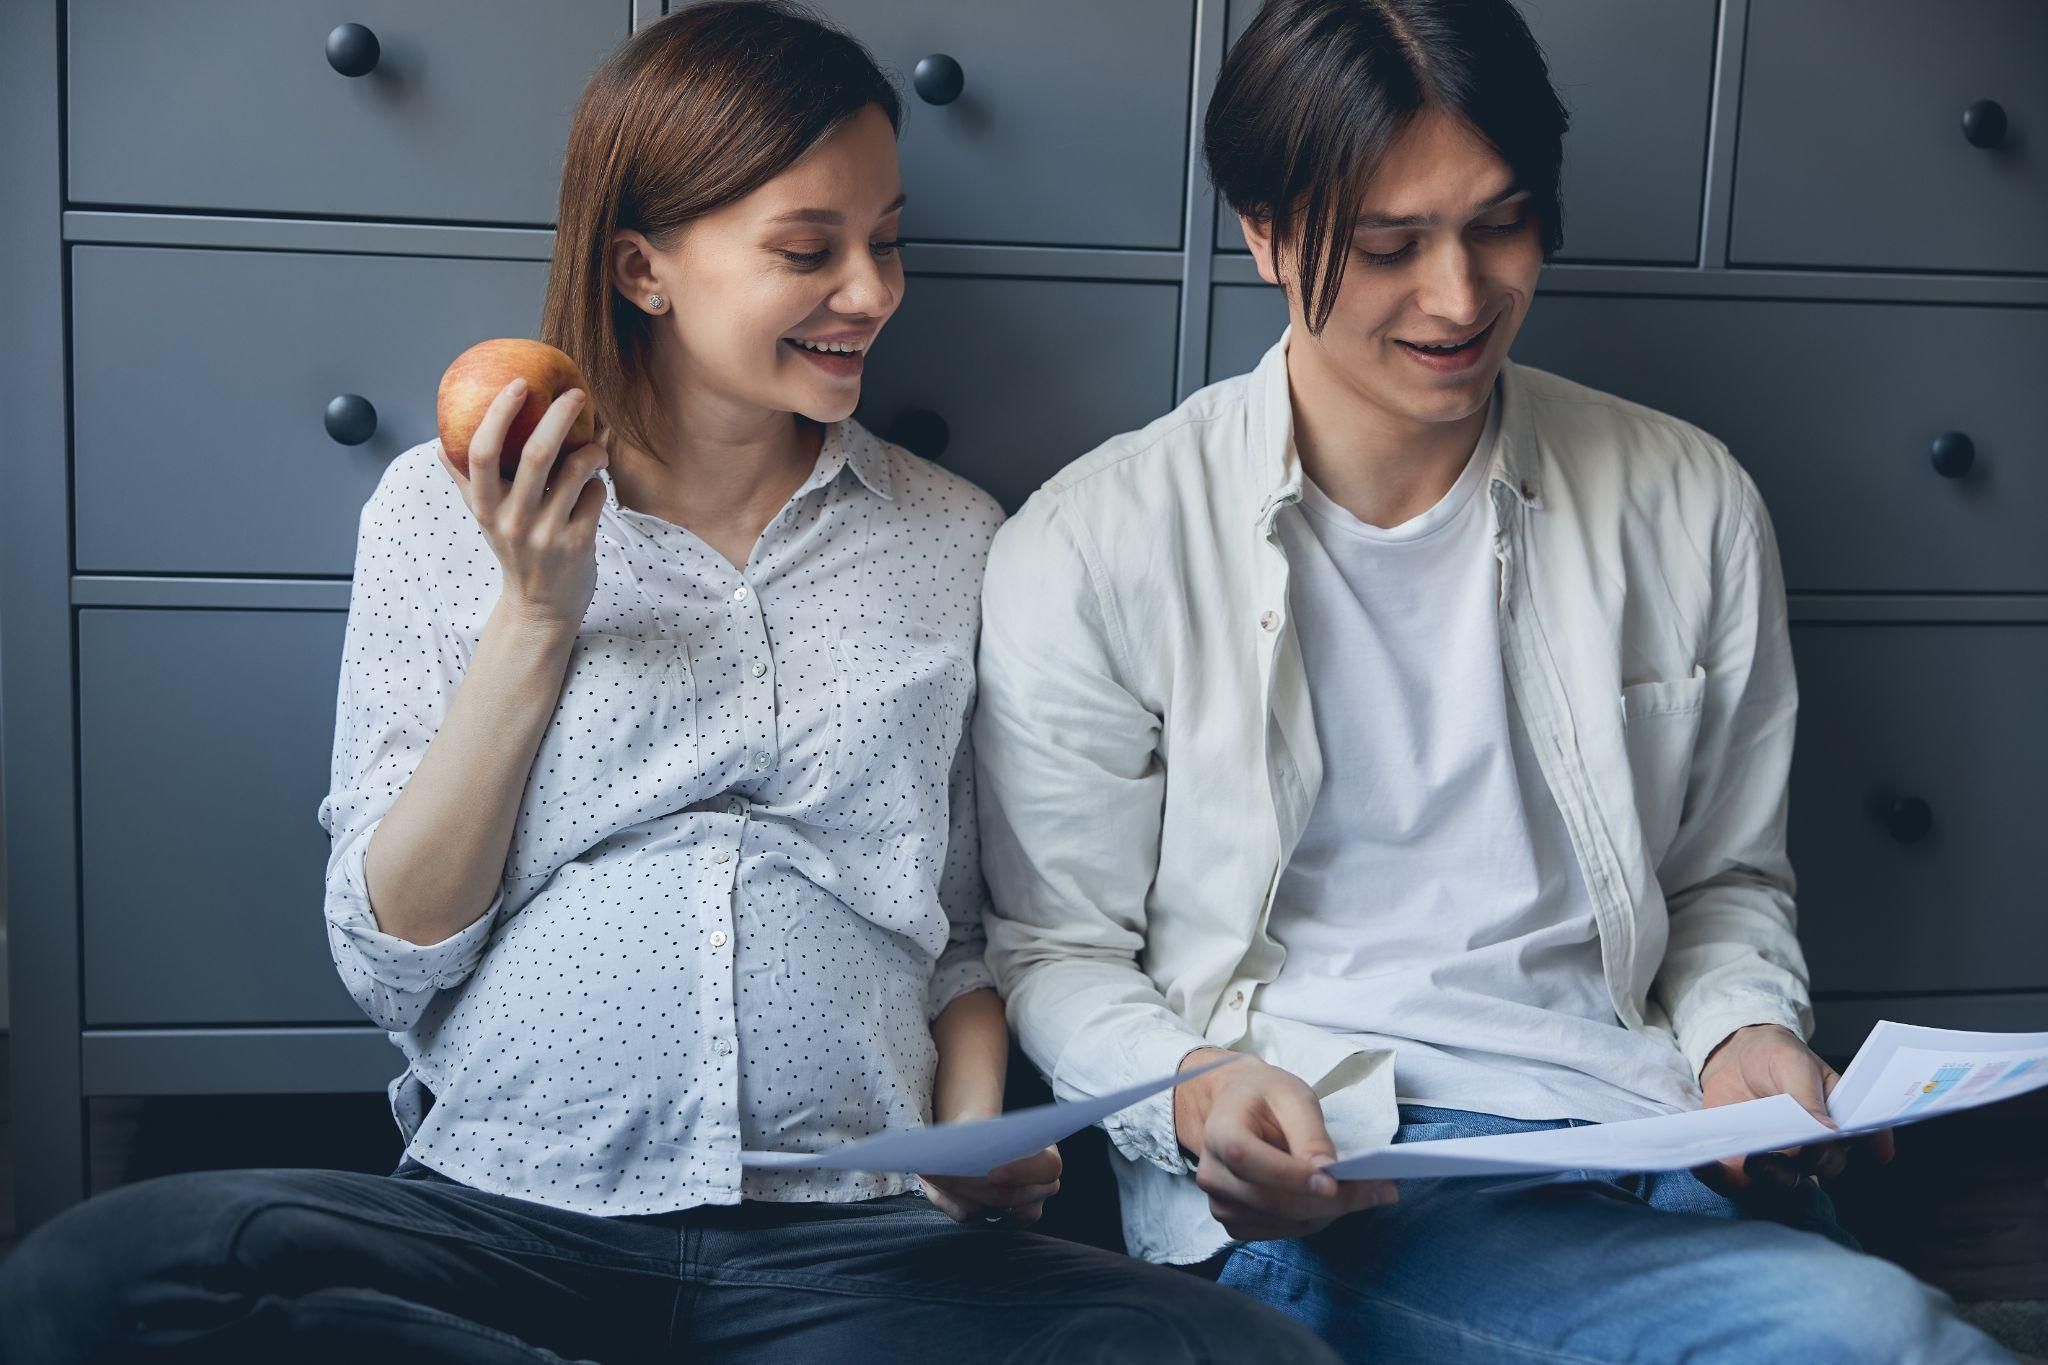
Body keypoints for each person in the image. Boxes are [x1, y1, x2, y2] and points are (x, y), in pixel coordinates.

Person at [0, 6, 1336, 1362]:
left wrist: (976, 1143)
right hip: (511, 1216)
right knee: (100, 1278)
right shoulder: (445, 510)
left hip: (854, 1246)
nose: (871, 292)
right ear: (644, 268)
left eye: (888, 241)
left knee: (1246, 1354)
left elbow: (960, 933)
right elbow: (388, 954)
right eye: (808, 251)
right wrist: (537, 612)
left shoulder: (956, 538)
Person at [971, 0, 2011, 1359]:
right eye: (1391, 246)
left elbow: (1721, 884)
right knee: (1879, 1337)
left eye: (1501, 225)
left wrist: (1744, 1034)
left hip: (1648, 1121)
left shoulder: (1686, 499)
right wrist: (1196, 1090)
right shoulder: (1096, 543)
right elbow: (1057, 950)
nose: (1461, 299)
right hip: (1345, 1174)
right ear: (1266, 232)